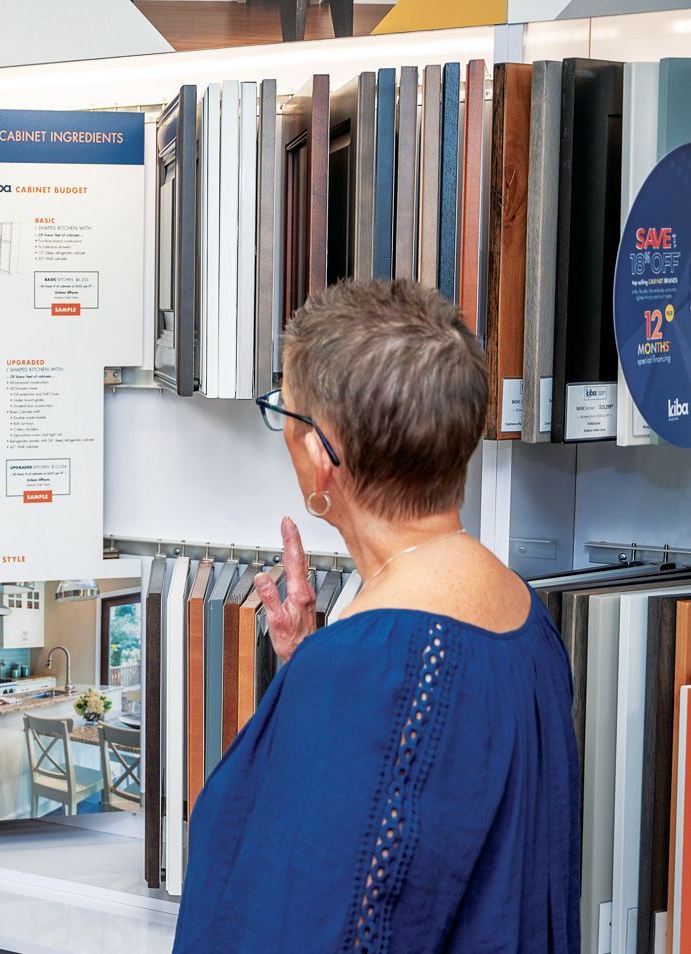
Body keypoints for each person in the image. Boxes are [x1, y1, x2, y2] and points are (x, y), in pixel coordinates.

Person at [173, 280, 578, 952]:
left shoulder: (363, 668)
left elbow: (297, 919)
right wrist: (311, 669)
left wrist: (325, 679)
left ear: (320, 455)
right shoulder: (523, 614)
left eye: (284, 410)